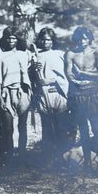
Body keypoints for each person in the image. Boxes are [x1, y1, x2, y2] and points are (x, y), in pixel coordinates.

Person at [65, 27, 98, 171]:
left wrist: (82, 73)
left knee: (96, 128)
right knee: (83, 130)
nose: (83, 41)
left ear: (90, 38)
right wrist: (75, 81)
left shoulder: (96, 53)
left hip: (93, 95)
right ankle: (87, 162)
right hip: (78, 95)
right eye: (80, 38)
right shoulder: (70, 54)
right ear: (76, 39)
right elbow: (69, 72)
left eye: (85, 38)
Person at [30, 28, 70, 168]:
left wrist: (52, 80)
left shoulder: (61, 55)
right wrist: (34, 69)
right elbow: (31, 78)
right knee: (47, 128)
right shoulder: (35, 56)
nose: (46, 42)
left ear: (53, 41)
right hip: (43, 95)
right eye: (43, 39)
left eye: (49, 40)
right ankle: (49, 159)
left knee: (61, 128)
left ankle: (62, 158)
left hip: (58, 94)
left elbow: (66, 75)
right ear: (39, 40)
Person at [0, 26, 32, 163]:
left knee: (23, 125)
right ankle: (7, 156)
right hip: (6, 93)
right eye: (8, 37)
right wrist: (0, 100)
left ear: (18, 40)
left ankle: (22, 155)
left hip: (22, 92)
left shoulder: (25, 54)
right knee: (8, 126)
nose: (11, 40)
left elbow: (31, 69)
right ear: (4, 39)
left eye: (14, 38)